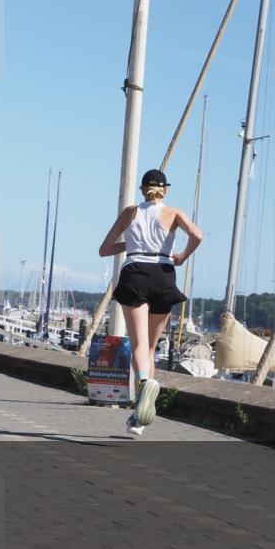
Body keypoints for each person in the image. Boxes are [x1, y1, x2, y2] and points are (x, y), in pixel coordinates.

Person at [97, 169, 203, 436]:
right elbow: (198, 235)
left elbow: (104, 249)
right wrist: (181, 256)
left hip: (136, 272)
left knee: (139, 345)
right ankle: (140, 419)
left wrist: (130, 243)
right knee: (152, 348)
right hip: (164, 272)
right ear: (164, 190)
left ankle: (144, 384)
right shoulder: (174, 213)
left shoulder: (130, 213)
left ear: (143, 190)